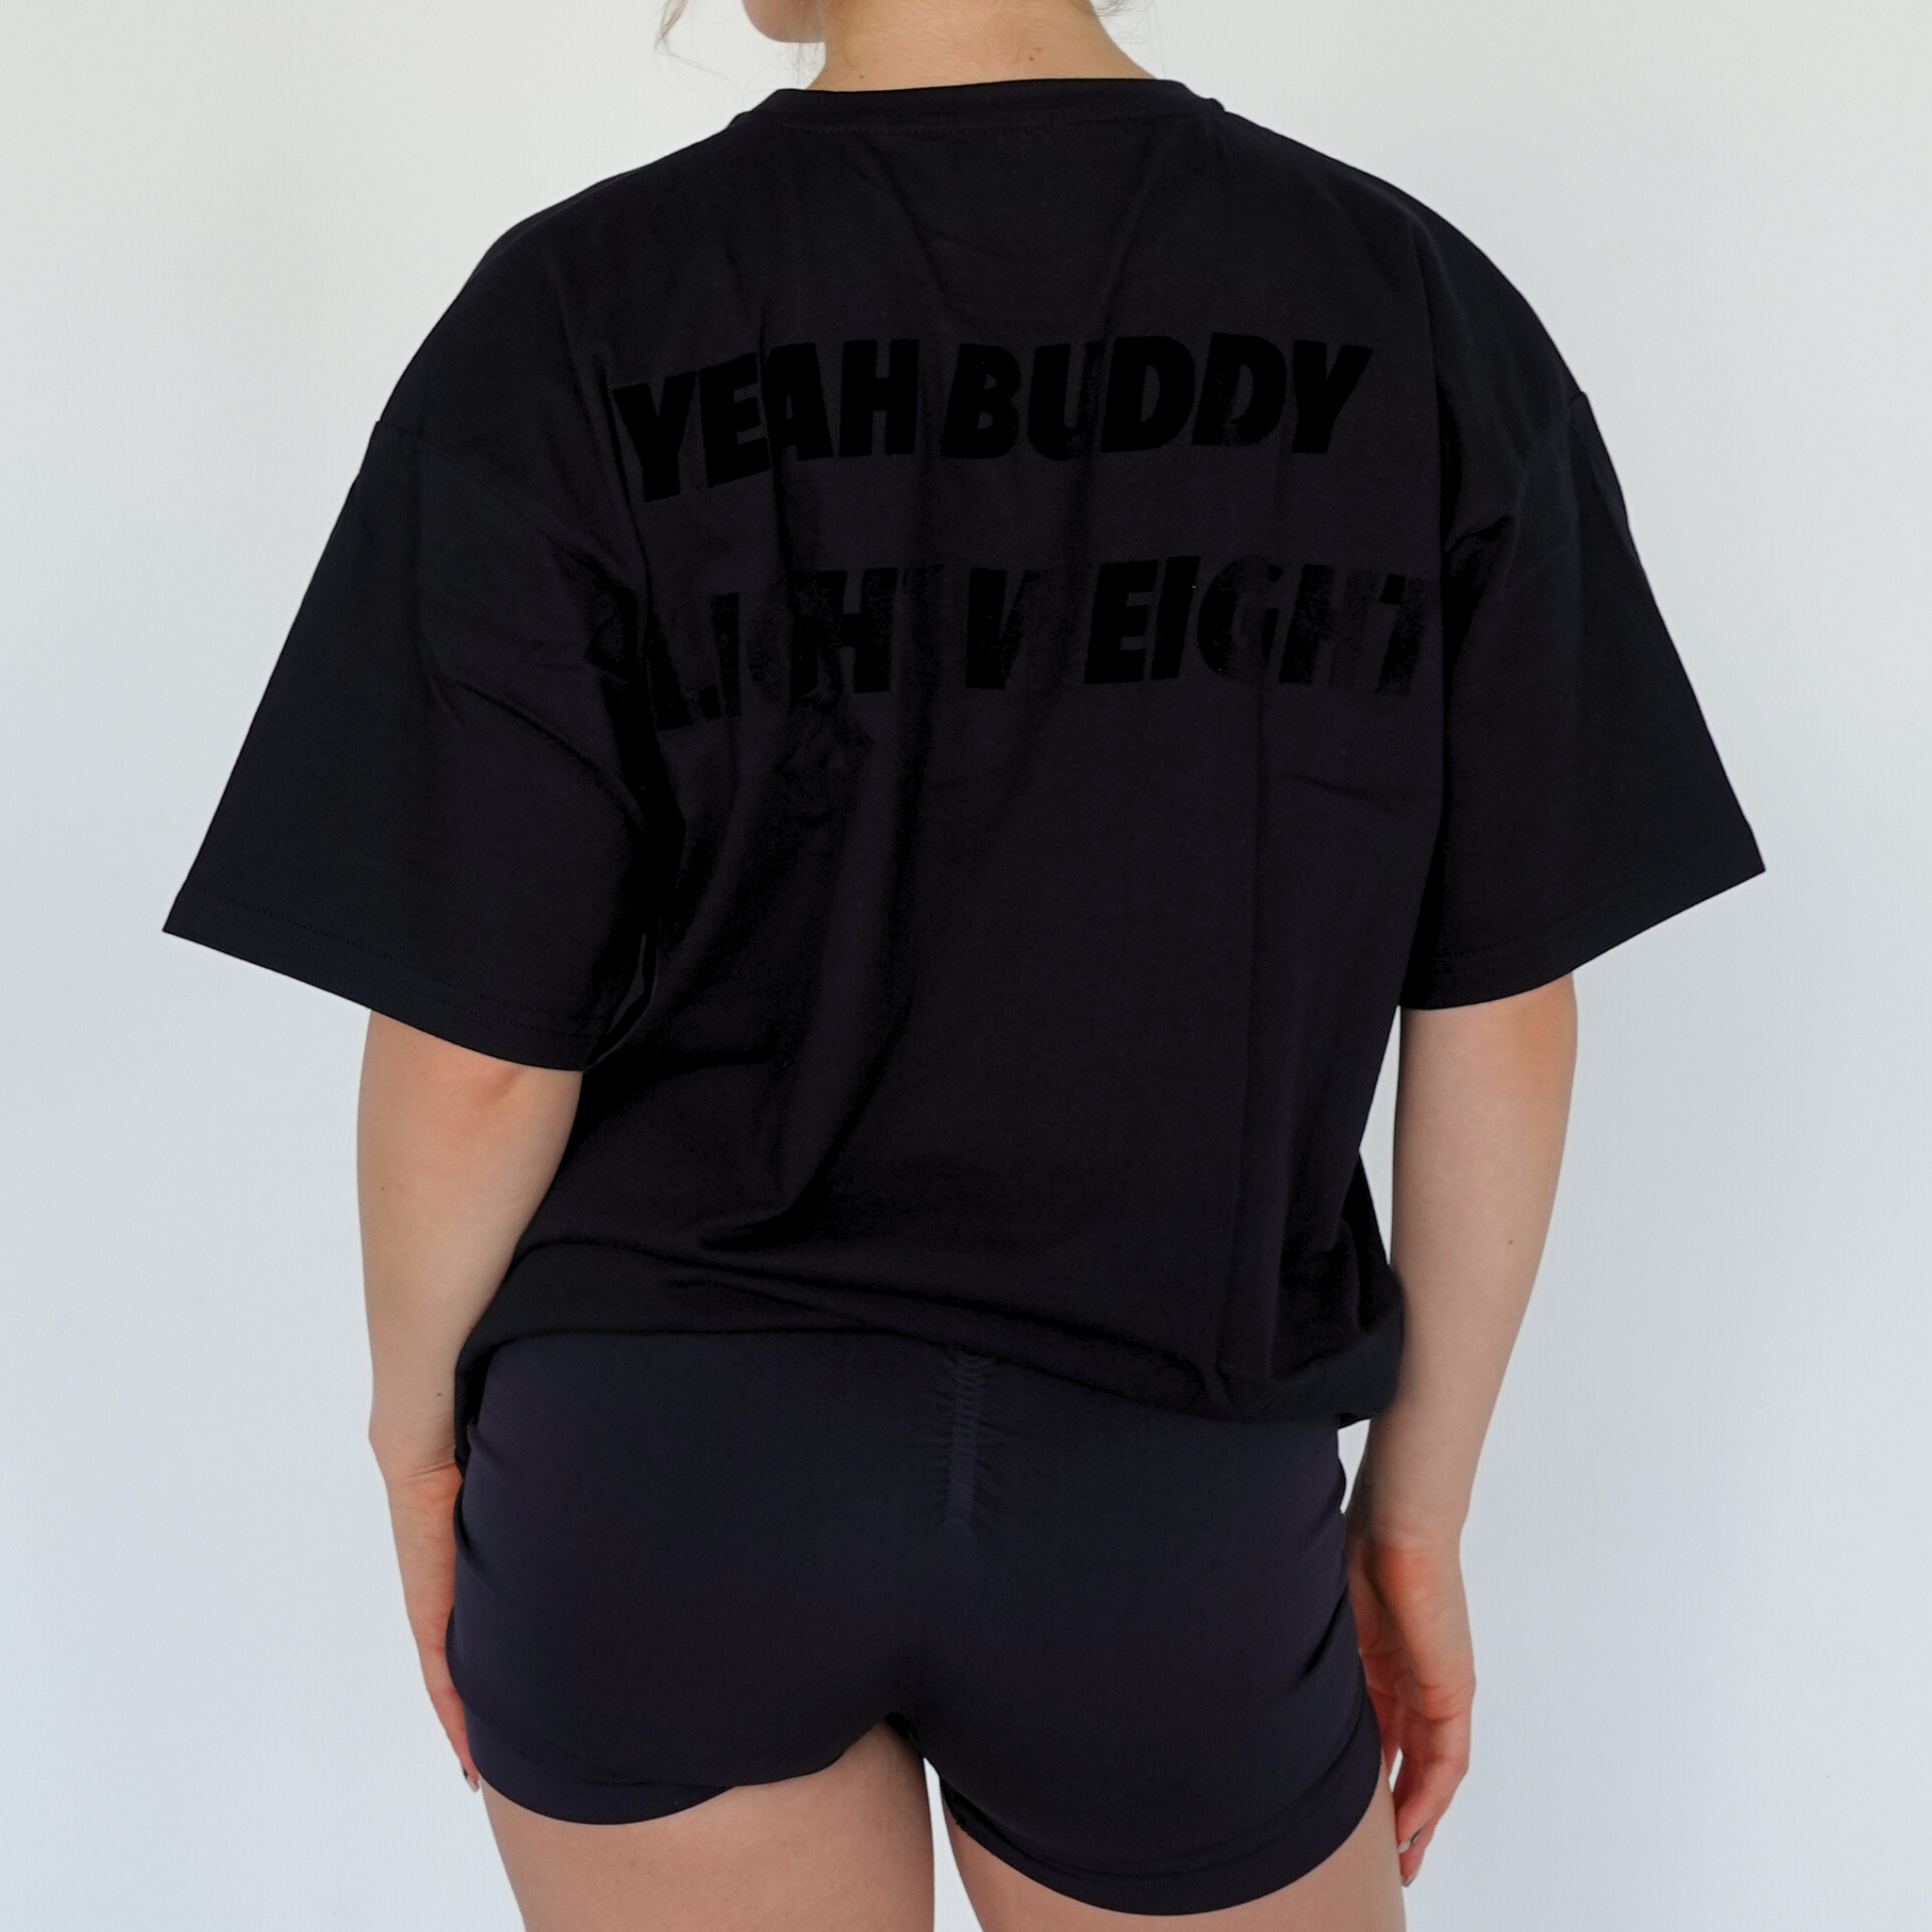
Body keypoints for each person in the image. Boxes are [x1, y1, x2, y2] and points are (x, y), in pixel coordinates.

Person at [163, 0, 1764, 1924]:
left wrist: (415, 1440)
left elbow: (480, 1053)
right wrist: (1410, 1514)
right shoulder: (1409, 307)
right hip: (1164, 1485)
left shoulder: (577, 309)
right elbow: (1497, 1005)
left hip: (662, 1467)